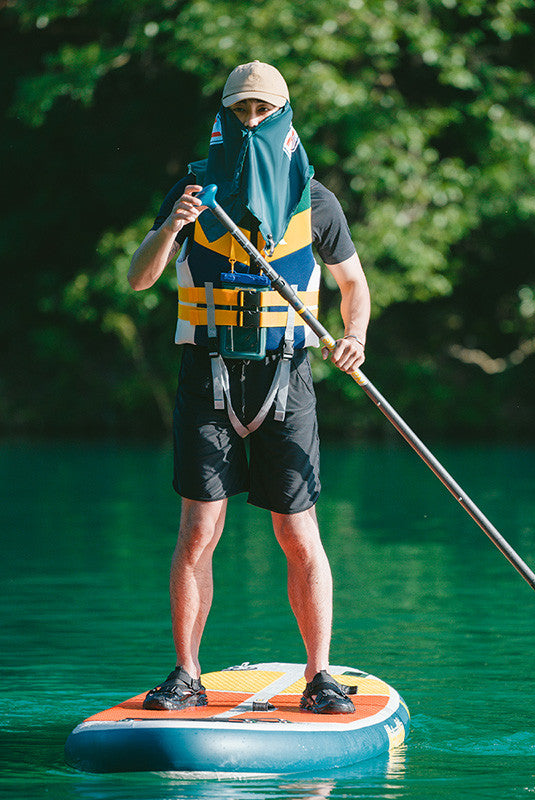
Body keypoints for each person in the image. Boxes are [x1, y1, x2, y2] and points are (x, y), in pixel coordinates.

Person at [128, 61, 370, 714]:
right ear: (226, 117)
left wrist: (355, 338)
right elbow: (139, 279)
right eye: (242, 111)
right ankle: (186, 673)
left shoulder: (315, 201)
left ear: (284, 115)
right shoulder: (193, 189)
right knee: (198, 530)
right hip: (206, 379)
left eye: (264, 110)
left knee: (298, 533)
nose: (253, 120)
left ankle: (319, 675)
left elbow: (354, 287)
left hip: (286, 381)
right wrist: (173, 227)